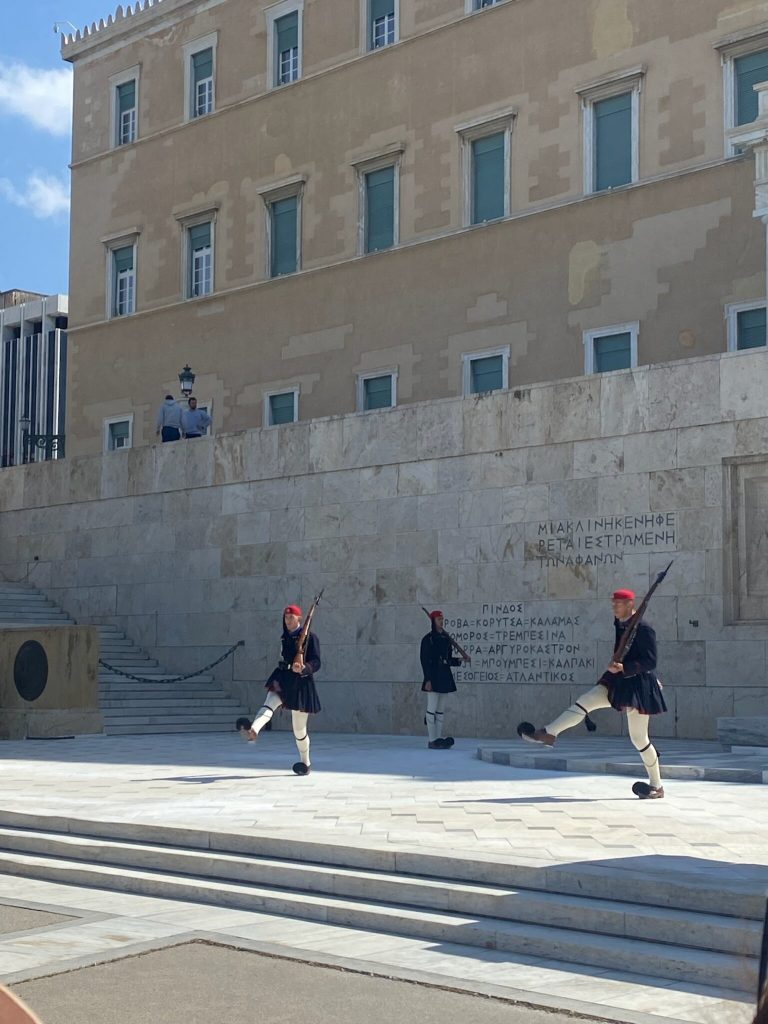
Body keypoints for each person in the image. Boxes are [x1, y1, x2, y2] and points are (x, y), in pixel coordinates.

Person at [520, 588, 667, 799]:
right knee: (585, 701)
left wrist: (625, 668)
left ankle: (657, 786)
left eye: (617, 603)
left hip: (637, 685)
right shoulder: (621, 624)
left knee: (639, 738)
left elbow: (650, 661)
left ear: (629, 604)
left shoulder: (644, 629)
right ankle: (549, 733)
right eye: (613, 603)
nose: (613, 607)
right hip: (618, 681)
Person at [238, 605, 321, 775]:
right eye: (285, 617)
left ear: (300, 618)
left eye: (291, 617)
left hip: (301, 682)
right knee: (269, 702)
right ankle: (254, 729)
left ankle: (305, 762)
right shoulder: (285, 638)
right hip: (283, 676)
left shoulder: (310, 638)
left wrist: (304, 668)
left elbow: (317, 662)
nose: (287, 620)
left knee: (299, 729)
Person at [420, 610, 469, 750]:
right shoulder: (428, 639)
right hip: (433, 676)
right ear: (433, 621)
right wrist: (427, 679)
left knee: (440, 710)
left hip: (444, 675)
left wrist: (461, 659)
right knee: (432, 709)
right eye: (438, 619)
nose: (441, 621)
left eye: (442, 619)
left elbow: (448, 660)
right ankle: (432, 739)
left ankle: (438, 738)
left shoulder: (445, 639)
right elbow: (424, 661)